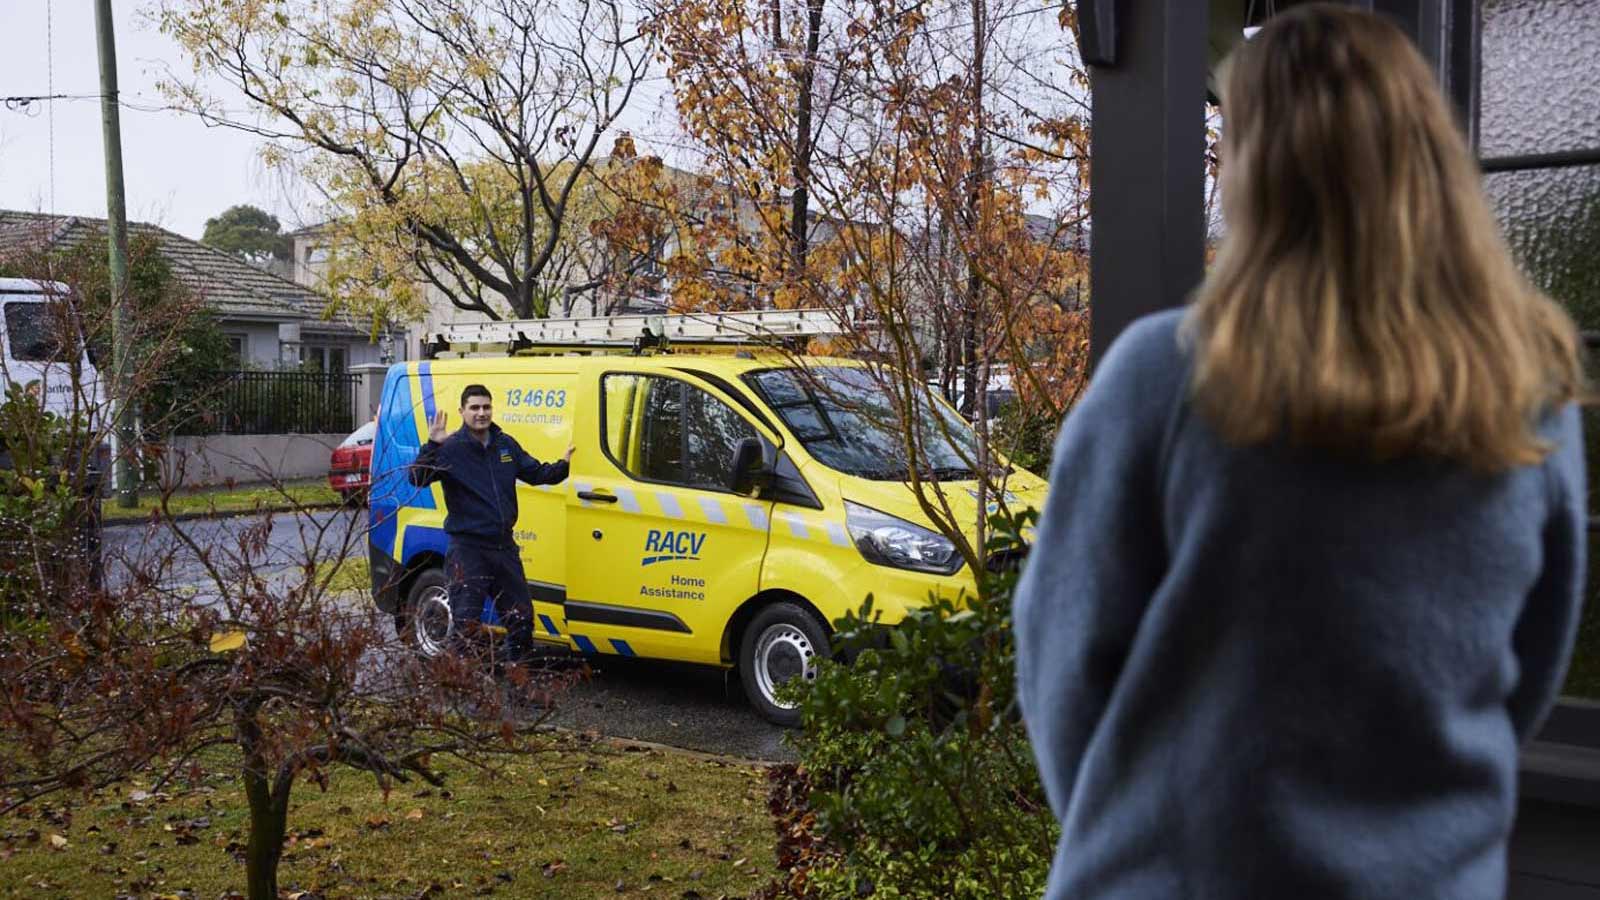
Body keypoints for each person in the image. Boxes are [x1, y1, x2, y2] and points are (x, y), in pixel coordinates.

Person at [1013, 6, 1587, 899]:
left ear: (1255, 169)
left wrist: (1140, 821)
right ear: (1428, 160)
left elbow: (1065, 665)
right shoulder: (1532, 398)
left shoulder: (1164, 383)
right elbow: (1526, 674)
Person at [410, 383, 574, 663]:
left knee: (521, 618)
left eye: (486, 407)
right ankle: (461, 693)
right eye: (474, 407)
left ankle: (520, 687)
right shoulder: (451, 449)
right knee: (466, 626)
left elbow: (535, 473)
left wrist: (564, 465)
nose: (481, 413)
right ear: (462, 411)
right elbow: (418, 478)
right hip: (468, 550)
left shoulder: (505, 444)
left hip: (503, 548)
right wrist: (432, 445)